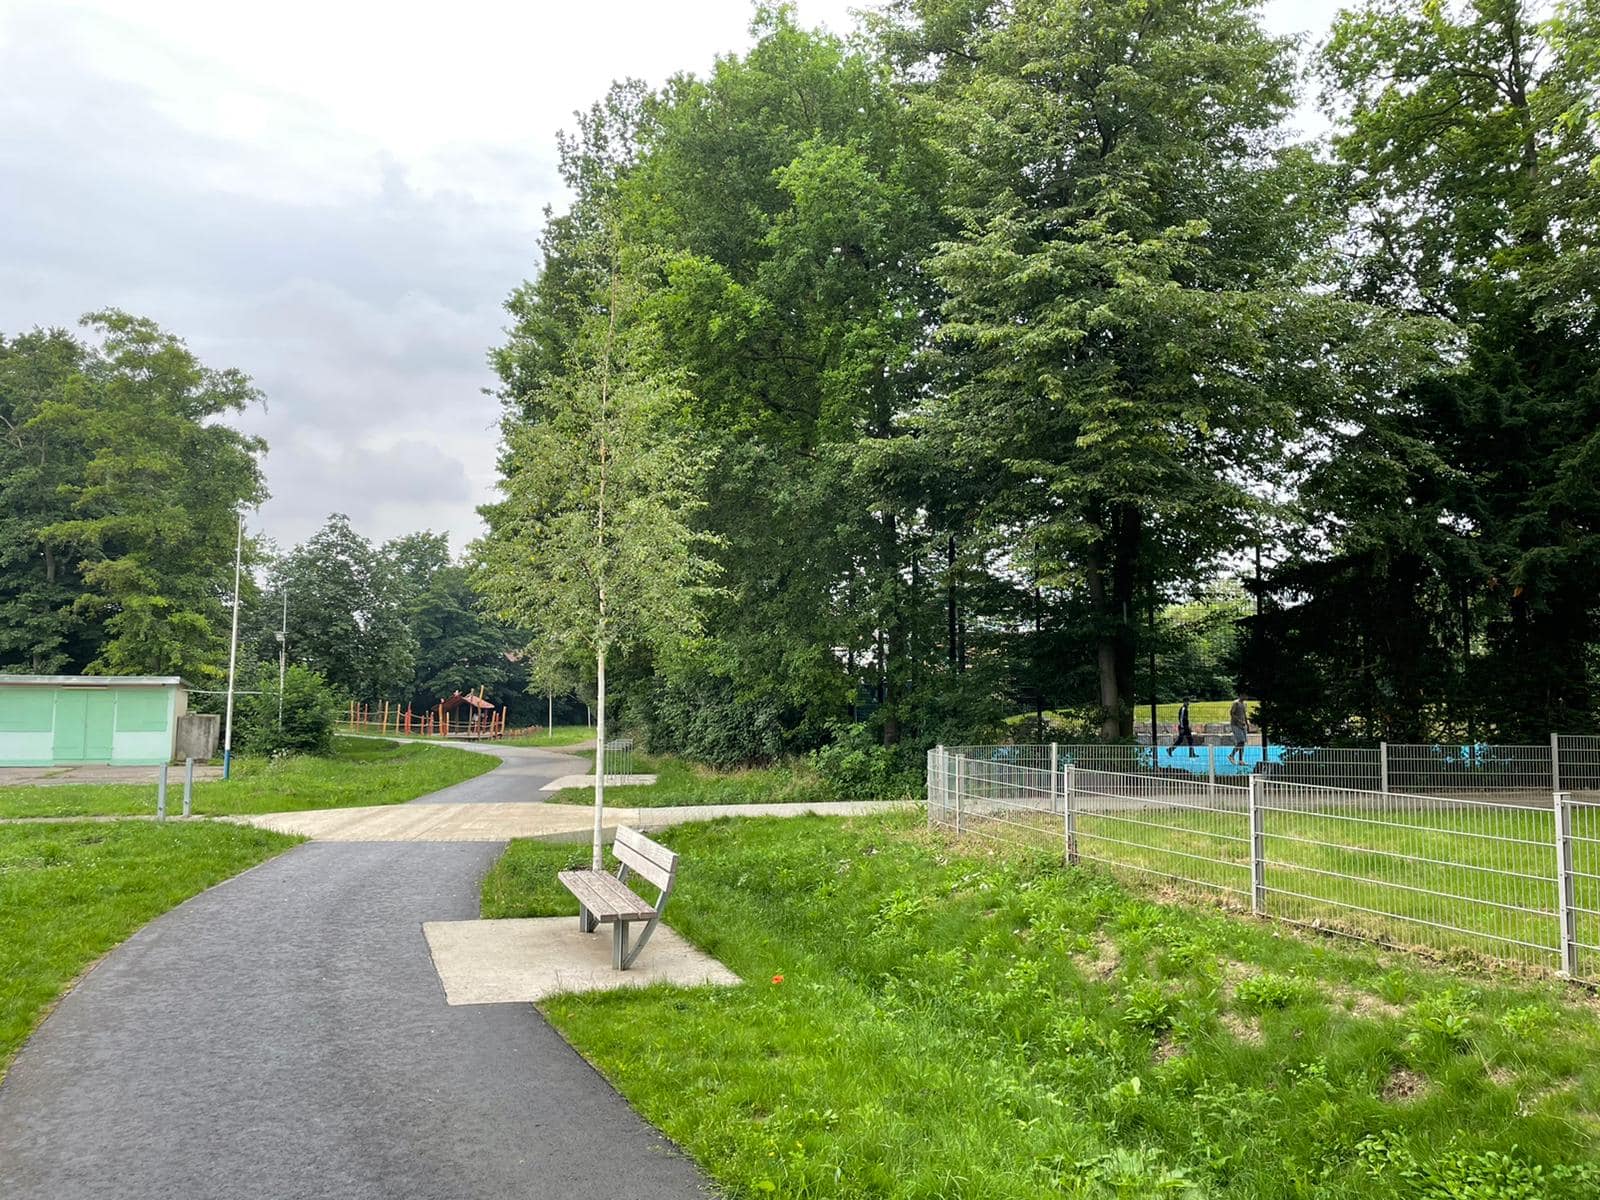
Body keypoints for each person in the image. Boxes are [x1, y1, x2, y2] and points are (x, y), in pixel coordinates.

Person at [1227, 692, 1250, 766]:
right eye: (1244, 694)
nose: (1246, 696)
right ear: (1241, 695)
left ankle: (1241, 760)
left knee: (1243, 743)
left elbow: (1244, 714)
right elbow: (1232, 713)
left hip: (1243, 725)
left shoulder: (1244, 704)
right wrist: (1239, 721)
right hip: (1236, 725)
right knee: (1241, 741)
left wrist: (1247, 723)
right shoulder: (1236, 703)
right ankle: (1231, 755)